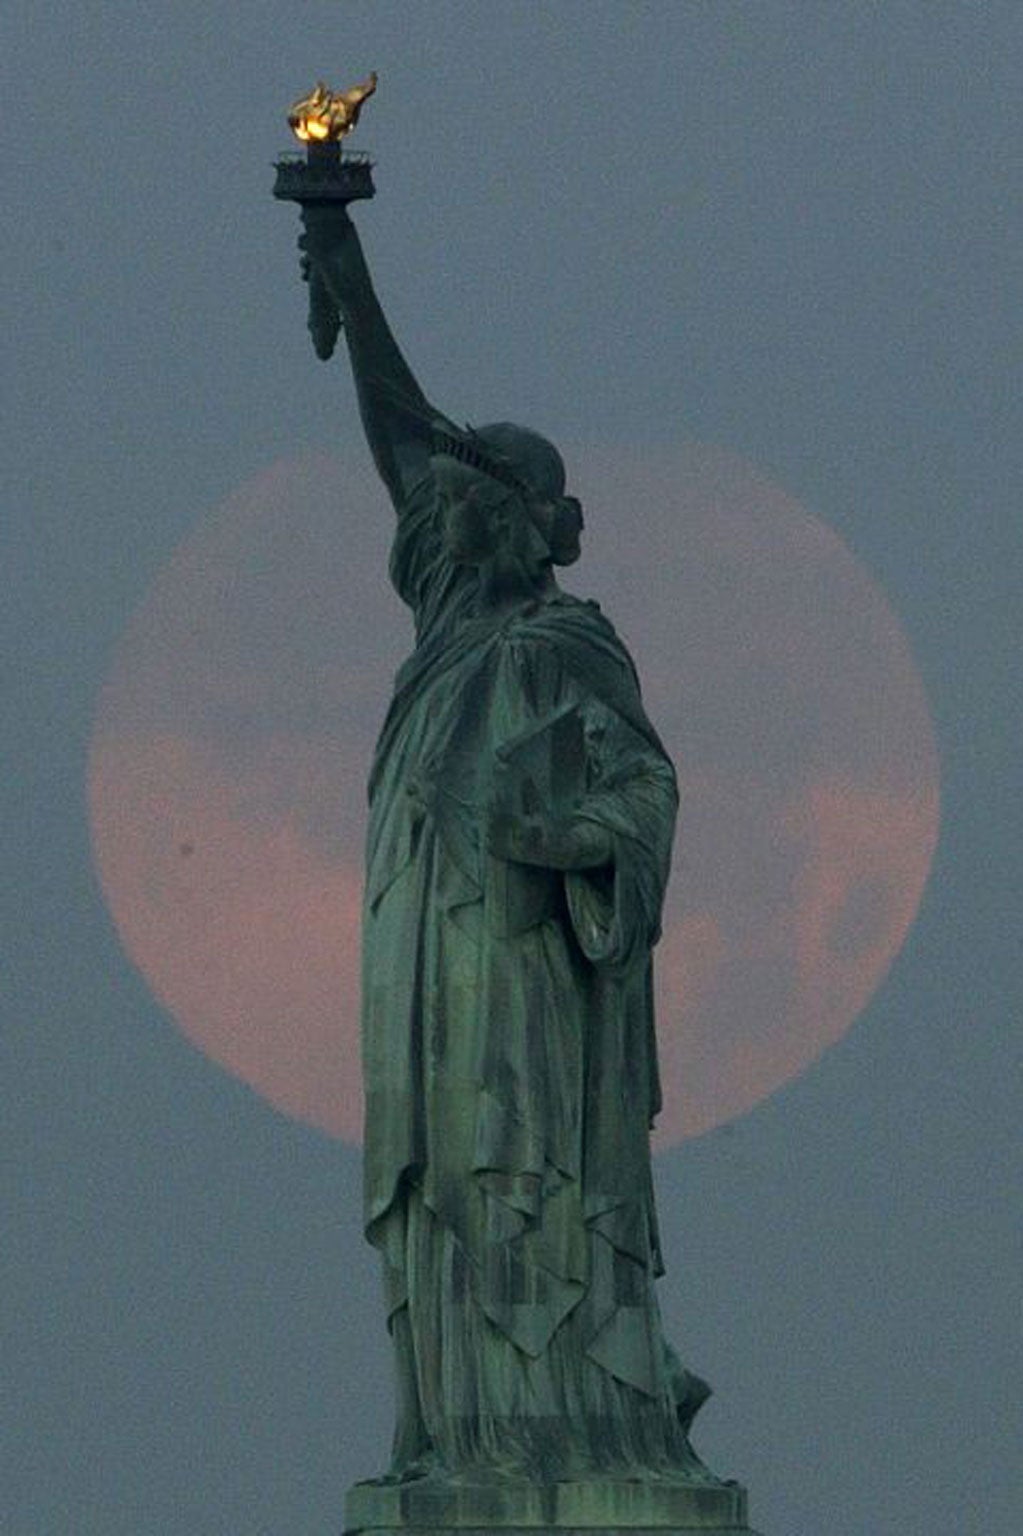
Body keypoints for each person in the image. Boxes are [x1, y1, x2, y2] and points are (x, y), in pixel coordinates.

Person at [300, 205, 713, 1485]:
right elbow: (399, 436)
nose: (448, 506)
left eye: (479, 493)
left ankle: (570, 1431)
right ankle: (459, 1433)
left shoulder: (566, 643)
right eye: (449, 496)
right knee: (442, 1192)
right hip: (428, 958)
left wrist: (566, 837)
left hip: (531, 967)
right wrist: (341, 259)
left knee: (522, 1169)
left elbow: (647, 786)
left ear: (533, 516)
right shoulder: (446, 628)